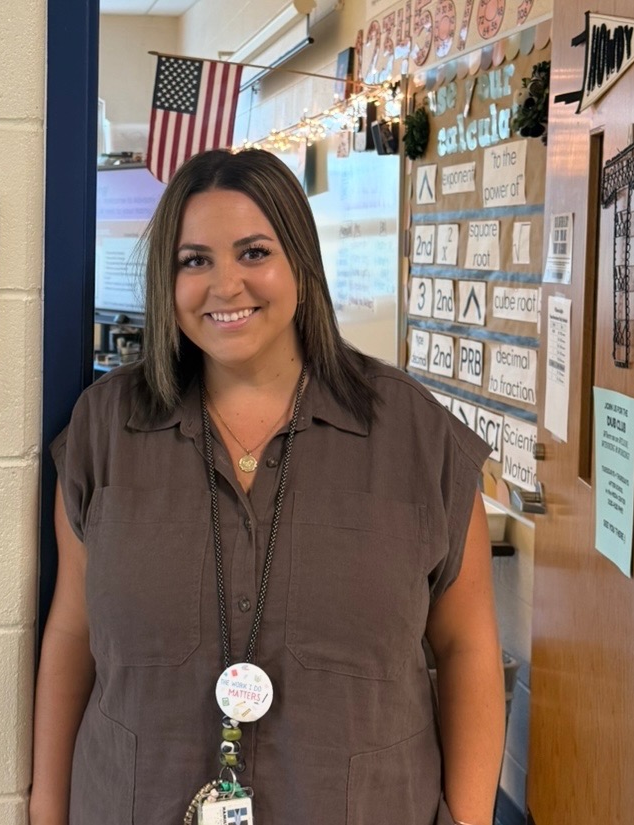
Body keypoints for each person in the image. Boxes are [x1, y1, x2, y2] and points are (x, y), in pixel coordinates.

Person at [30, 148, 505, 825]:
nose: (224, 285)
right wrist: (46, 810)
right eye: (193, 260)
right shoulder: (105, 429)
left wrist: (470, 817)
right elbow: (72, 632)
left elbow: (466, 646)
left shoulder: (415, 436)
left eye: (253, 252)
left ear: (301, 269)